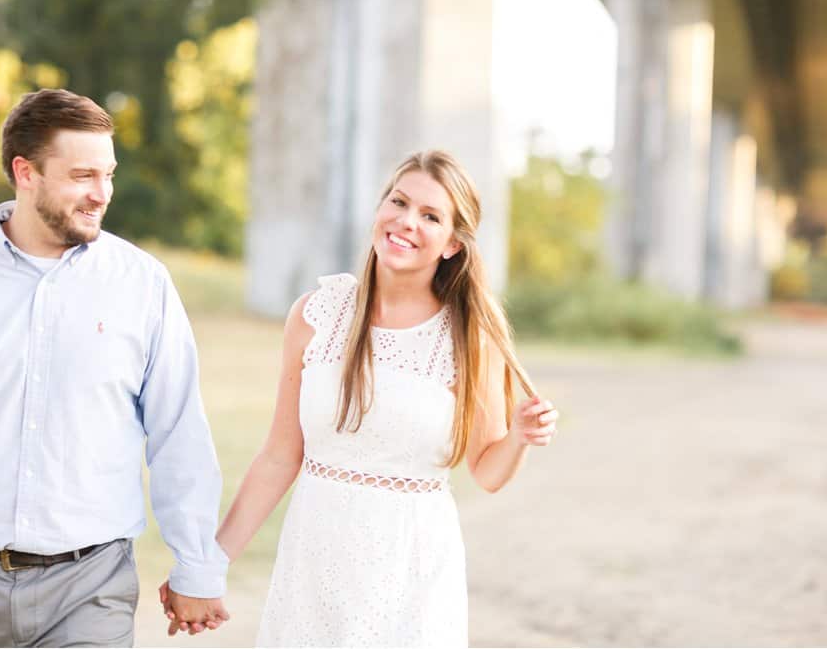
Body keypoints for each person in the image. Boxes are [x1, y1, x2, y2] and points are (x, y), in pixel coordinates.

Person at [0, 88, 229, 647]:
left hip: (91, 590)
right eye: (83, 175)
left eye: (108, 174)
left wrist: (197, 566)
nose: (101, 194)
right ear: (25, 171)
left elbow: (179, 433)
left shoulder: (143, 284)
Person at [160, 149, 559, 645]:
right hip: (315, 566)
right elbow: (280, 456)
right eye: (399, 202)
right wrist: (207, 568)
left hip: (411, 575)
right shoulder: (315, 315)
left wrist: (518, 436)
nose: (406, 221)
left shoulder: (471, 336)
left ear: (453, 244)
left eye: (430, 216)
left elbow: (487, 471)